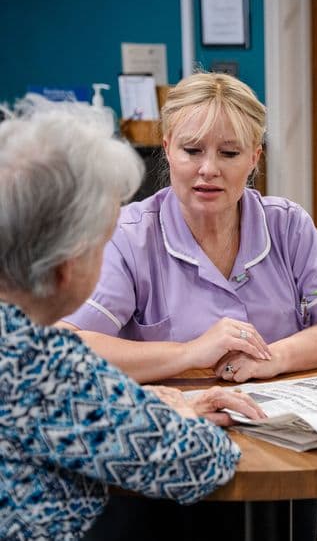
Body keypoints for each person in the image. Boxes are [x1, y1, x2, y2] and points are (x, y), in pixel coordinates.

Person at [58, 72, 317, 540]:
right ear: (168, 148)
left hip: (278, 449)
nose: (208, 169)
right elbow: (69, 348)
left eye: (230, 153)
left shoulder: (288, 225)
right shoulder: (131, 234)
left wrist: (271, 359)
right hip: (163, 460)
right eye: (192, 151)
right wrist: (190, 351)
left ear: (255, 158)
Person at [0, 96, 265, 540]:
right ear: (66, 265)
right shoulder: (43, 363)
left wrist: (153, 403)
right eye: (100, 243)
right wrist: (176, 414)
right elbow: (199, 463)